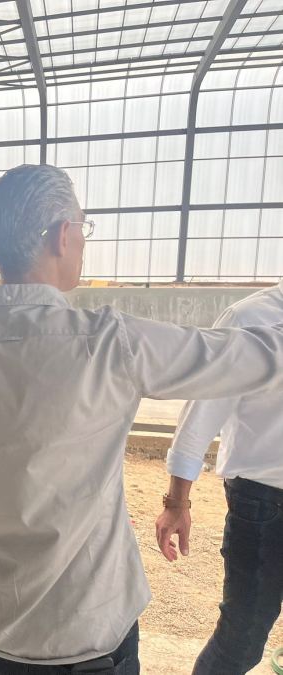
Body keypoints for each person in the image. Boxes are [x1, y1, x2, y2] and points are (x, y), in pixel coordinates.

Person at [0, 164, 283, 674]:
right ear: (62, 235)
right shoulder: (109, 344)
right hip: (92, 636)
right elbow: (247, 359)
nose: (82, 241)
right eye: (83, 227)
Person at [156, 281, 283, 675]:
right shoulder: (251, 317)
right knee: (242, 639)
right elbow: (202, 412)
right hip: (264, 500)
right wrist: (177, 502)